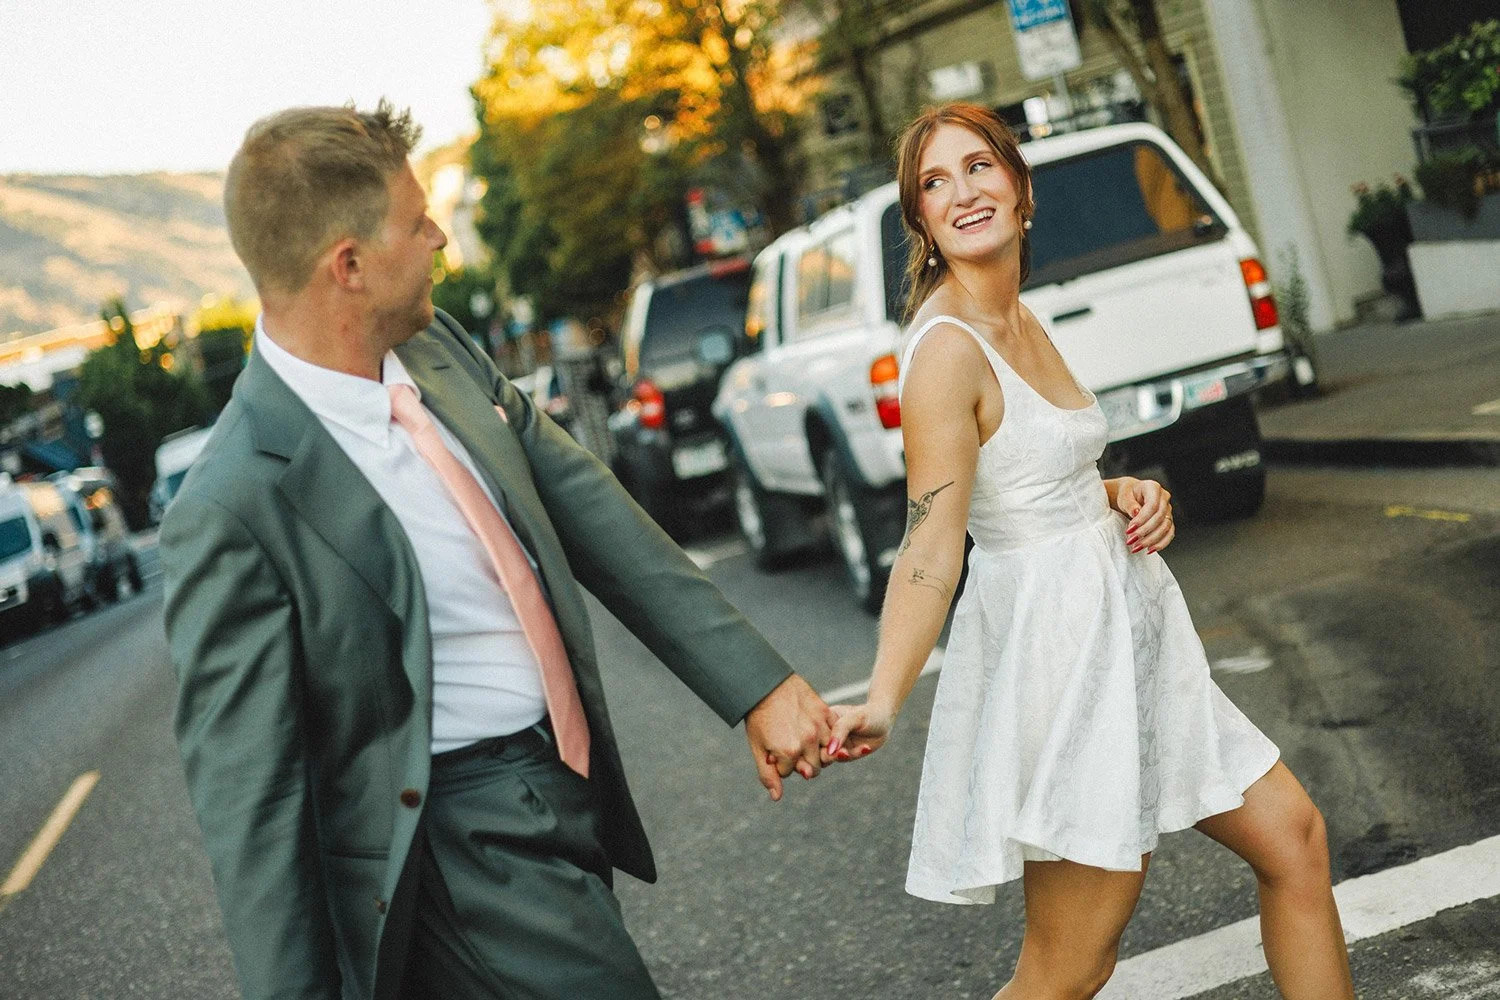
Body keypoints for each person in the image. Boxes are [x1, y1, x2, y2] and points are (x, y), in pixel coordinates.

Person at [160, 100, 835, 1000]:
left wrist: (754, 683)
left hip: (559, 779)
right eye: (415, 221)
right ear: (347, 266)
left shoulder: (434, 344)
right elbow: (253, 805)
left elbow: (585, 505)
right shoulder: (231, 502)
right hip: (455, 837)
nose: (440, 237)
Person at [824, 103, 1356, 1000]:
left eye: (979, 166)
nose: (962, 192)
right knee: (1067, 969)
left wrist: (1119, 490)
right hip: (1065, 664)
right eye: (934, 182)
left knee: (1293, 839)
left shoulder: (1019, 321)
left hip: (1134, 634)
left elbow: (1030, 474)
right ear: (920, 222)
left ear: (1022, 189)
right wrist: (884, 696)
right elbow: (931, 542)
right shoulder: (946, 353)